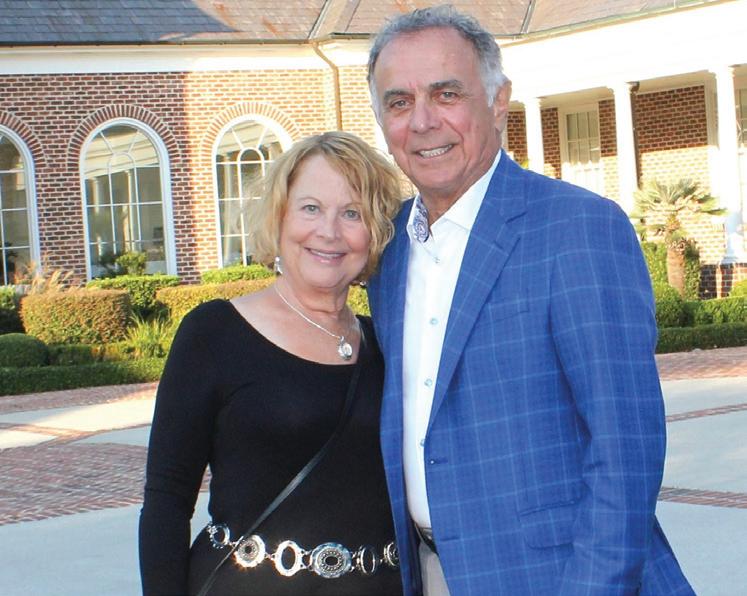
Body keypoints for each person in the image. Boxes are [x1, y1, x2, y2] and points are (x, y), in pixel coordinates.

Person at [366, 5, 694, 596]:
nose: (422, 121)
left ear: (498, 102)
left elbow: (625, 451)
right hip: (433, 573)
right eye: (399, 102)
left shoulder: (578, 228)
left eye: (446, 94)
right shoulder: (388, 251)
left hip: (563, 578)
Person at [139, 131, 404, 595]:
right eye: (310, 208)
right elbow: (167, 499)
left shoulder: (387, 342)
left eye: (352, 213)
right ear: (279, 216)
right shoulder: (215, 333)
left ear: (375, 232)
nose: (329, 231)